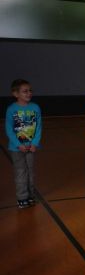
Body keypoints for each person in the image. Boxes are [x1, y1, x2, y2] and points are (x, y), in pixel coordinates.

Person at [5, 79, 42, 208]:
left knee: (30, 172)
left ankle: (30, 196)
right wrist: (18, 144)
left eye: (30, 90)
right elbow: (9, 129)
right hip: (17, 148)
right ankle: (22, 198)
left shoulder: (35, 107)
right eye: (25, 91)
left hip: (31, 147)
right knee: (21, 172)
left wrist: (34, 143)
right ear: (16, 94)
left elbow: (38, 127)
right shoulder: (11, 109)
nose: (29, 93)